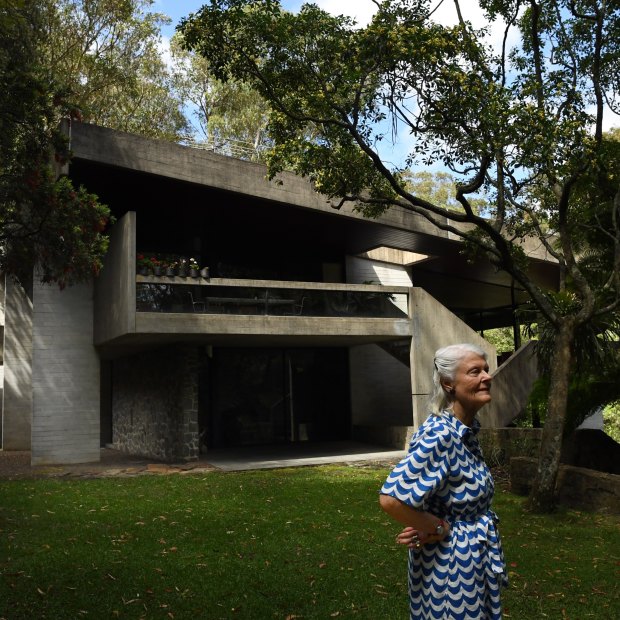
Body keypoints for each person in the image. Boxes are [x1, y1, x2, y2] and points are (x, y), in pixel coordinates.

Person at [379, 343, 507, 619]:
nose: (487, 376)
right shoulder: (441, 434)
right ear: (449, 384)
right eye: (475, 372)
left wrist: (426, 522)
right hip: (452, 569)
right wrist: (437, 526)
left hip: (471, 559)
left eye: (486, 369)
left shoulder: (466, 430)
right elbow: (392, 498)